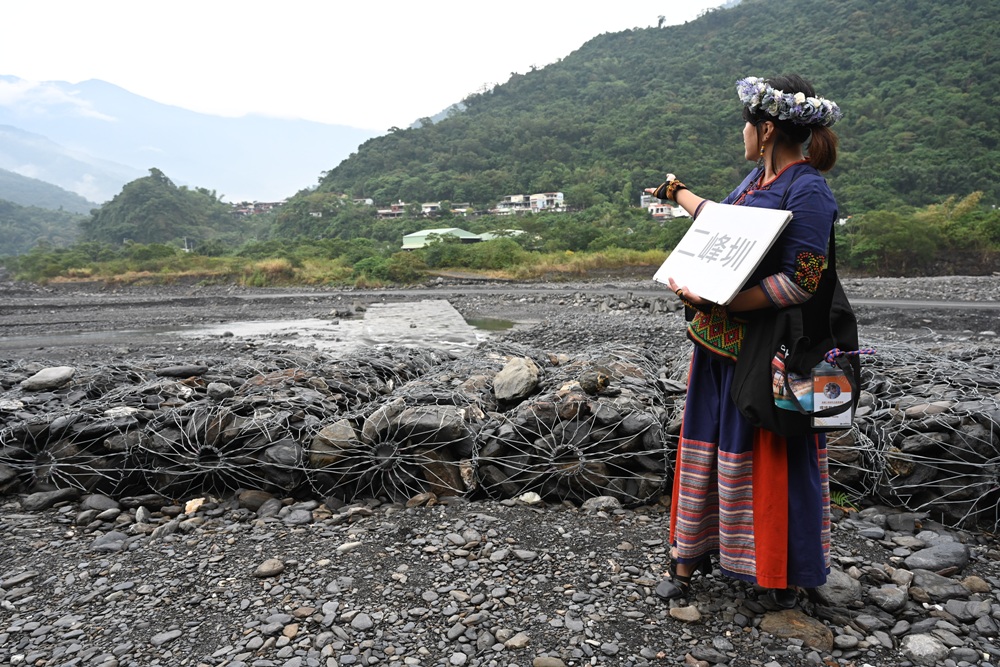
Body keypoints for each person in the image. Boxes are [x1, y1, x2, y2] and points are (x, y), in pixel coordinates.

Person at [644, 74, 843, 609]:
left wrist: (724, 303)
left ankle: (775, 569)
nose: (743, 133)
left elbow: (803, 280)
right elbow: (720, 222)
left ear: (767, 128)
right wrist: (677, 192)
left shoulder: (807, 189)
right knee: (708, 445)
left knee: (767, 451)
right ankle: (690, 553)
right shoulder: (757, 180)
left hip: (768, 353)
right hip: (717, 348)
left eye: (747, 124)